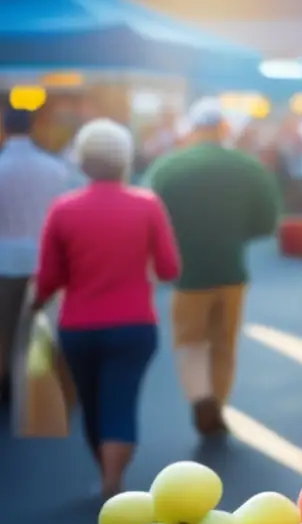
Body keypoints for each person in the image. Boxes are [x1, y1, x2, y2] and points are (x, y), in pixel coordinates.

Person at [34, 119, 180, 496]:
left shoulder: (63, 210)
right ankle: (113, 480)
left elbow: (49, 277)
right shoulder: (147, 205)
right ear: (126, 160)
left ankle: (105, 473)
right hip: (134, 323)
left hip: (78, 326)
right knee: (121, 400)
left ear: (82, 163)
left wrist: (32, 307)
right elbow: (169, 268)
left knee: (92, 404)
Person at [147, 101, 279, 438]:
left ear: (192, 130)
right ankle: (217, 403)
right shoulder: (248, 167)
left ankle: (200, 397)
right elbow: (267, 222)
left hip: (186, 273)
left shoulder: (168, 168)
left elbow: (150, 219)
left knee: (190, 341)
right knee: (224, 343)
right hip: (232, 270)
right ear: (224, 129)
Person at [0, 104, 74, 404]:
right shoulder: (56, 169)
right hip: (46, 260)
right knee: (45, 325)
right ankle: (45, 385)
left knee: (5, 327)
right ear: (32, 128)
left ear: (5, 130)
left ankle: (5, 384)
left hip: (5, 259)